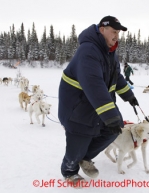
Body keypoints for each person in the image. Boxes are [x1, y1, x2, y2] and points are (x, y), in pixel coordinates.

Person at [58, 16, 139, 186]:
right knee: (79, 140)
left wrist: (128, 95)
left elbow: (116, 76)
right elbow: (94, 84)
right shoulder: (88, 51)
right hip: (78, 107)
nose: (117, 36)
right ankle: (70, 171)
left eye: (118, 33)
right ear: (102, 29)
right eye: (114, 32)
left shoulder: (110, 52)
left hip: (98, 105)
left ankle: (84, 157)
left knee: (113, 130)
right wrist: (110, 115)